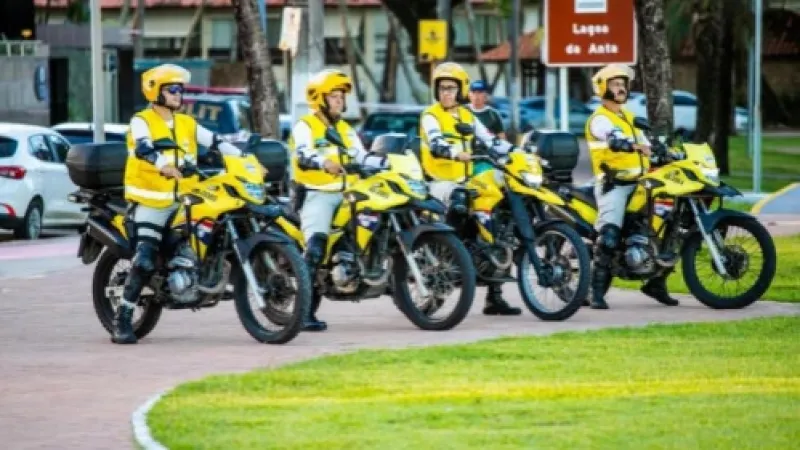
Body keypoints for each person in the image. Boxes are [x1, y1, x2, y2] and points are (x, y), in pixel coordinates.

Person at [113, 63, 257, 345]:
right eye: (173, 89)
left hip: (185, 198)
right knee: (143, 261)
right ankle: (122, 319)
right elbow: (143, 148)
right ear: (156, 91)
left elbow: (215, 142)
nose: (180, 94)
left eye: (181, 89)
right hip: (152, 200)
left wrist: (245, 159)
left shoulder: (187, 123)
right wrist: (162, 164)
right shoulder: (142, 120)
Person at [288, 69, 390, 332]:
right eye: (333, 96)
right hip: (317, 193)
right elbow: (303, 154)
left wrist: (388, 162)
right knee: (316, 248)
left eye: (341, 96)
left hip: (347, 193)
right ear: (319, 99)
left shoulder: (345, 128)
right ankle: (304, 313)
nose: (339, 101)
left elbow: (360, 155)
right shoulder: (305, 126)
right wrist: (324, 162)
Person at [418, 61, 522, 316]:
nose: (446, 93)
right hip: (439, 182)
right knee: (459, 201)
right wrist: (454, 153)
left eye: (451, 88)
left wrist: (520, 155)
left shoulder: (467, 116)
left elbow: (490, 141)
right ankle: (445, 262)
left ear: (460, 90)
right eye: (442, 88)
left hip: (466, 180)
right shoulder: (431, 115)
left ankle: (494, 295)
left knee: (500, 214)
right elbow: (435, 143)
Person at [585, 64, 680, 310]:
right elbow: (615, 139)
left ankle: (656, 283)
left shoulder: (627, 116)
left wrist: (666, 152)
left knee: (670, 226)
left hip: (640, 183)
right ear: (603, 88)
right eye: (615, 84)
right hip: (614, 184)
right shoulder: (599, 119)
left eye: (623, 84)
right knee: (609, 236)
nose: (621, 88)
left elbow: (644, 141)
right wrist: (631, 145)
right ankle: (595, 292)